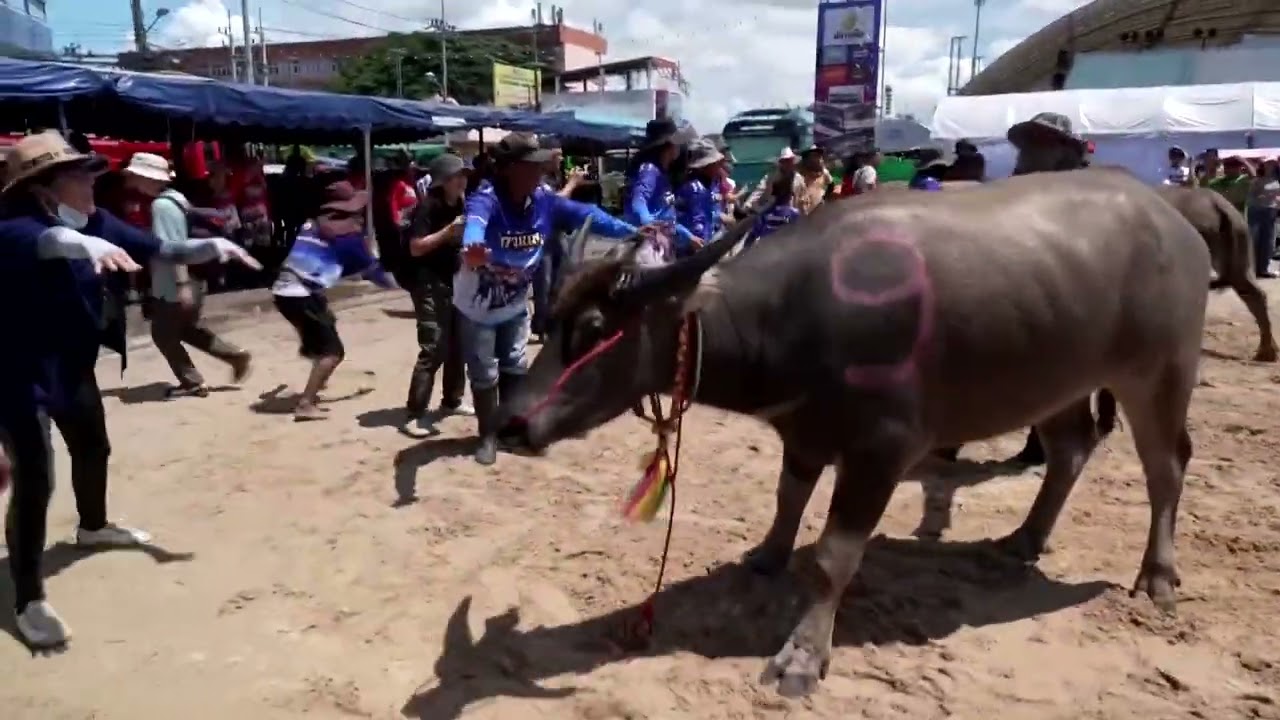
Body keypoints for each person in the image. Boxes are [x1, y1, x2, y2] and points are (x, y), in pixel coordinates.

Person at [0, 131, 259, 648]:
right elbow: (51, 243)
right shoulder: (14, 227)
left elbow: (159, 248)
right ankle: (28, 598)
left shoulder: (96, 220)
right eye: (79, 176)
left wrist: (209, 246)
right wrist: (85, 244)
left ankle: (93, 527)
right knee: (36, 478)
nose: (92, 183)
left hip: (70, 365)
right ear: (44, 189)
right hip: (16, 373)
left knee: (93, 448)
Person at [458, 133, 642, 466]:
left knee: (515, 364)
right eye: (531, 166)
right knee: (484, 372)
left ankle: (509, 430)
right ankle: (486, 436)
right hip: (478, 307)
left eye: (539, 165)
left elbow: (588, 214)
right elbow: (475, 224)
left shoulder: (544, 199)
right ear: (509, 169)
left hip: (515, 304)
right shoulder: (487, 198)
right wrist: (472, 246)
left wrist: (632, 231)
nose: (539, 171)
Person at [125, 152, 253, 397]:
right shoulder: (176, 198)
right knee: (185, 328)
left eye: (135, 175)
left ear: (147, 178)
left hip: (174, 280)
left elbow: (175, 249)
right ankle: (234, 355)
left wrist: (181, 284)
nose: (131, 180)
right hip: (191, 277)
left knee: (163, 334)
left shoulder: (161, 206)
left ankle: (192, 381)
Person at [272, 181, 395, 422]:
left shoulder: (312, 224)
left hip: (284, 291)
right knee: (333, 352)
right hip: (301, 294)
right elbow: (375, 274)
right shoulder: (348, 238)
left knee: (326, 320)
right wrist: (401, 286)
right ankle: (305, 404)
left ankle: (313, 355)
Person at [401, 153, 474, 437]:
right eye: (457, 176)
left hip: (454, 281)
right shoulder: (427, 207)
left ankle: (452, 399)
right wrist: (448, 232)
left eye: (463, 176)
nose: (462, 181)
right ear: (443, 180)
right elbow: (416, 247)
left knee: (458, 343)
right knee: (434, 347)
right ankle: (415, 413)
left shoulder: (461, 203)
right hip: (428, 283)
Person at [624, 118, 699, 260]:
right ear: (669, 145)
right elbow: (638, 201)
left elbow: (666, 218)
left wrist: (689, 236)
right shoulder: (649, 170)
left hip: (663, 241)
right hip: (650, 245)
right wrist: (650, 226)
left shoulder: (663, 175)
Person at [677, 139, 726, 243]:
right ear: (703, 167)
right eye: (714, 163)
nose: (718, 166)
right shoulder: (694, 188)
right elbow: (697, 221)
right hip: (692, 242)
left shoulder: (707, 184)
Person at [744, 178, 801, 250]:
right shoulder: (794, 213)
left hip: (768, 249)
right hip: (779, 250)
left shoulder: (764, 213)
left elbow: (752, 236)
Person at [1248, 157, 1280, 278]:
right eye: (1268, 163)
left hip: (1271, 210)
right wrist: (1261, 196)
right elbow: (1252, 195)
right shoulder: (1257, 179)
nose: (1270, 165)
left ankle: (1264, 268)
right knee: (1255, 239)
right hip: (1257, 210)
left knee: (1268, 240)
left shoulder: (1276, 179)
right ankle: (1252, 268)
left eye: (1272, 163)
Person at [746, 146, 805, 211]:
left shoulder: (798, 178)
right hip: (772, 209)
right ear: (781, 163)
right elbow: (759, 191)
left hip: (792, 210)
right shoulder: (770, 177)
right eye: (785, 161)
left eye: (790, 161)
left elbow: (803, 195)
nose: (788, 164)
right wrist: (748, 205)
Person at [796, 145, 833, 214]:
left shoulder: (824, 172)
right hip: (803, 210)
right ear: (807, 158)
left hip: (819, 209)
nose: (817, 158)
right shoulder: (799, 174)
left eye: (818, 155)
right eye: (813, 156)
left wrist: (825, 197)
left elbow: (831, 185)